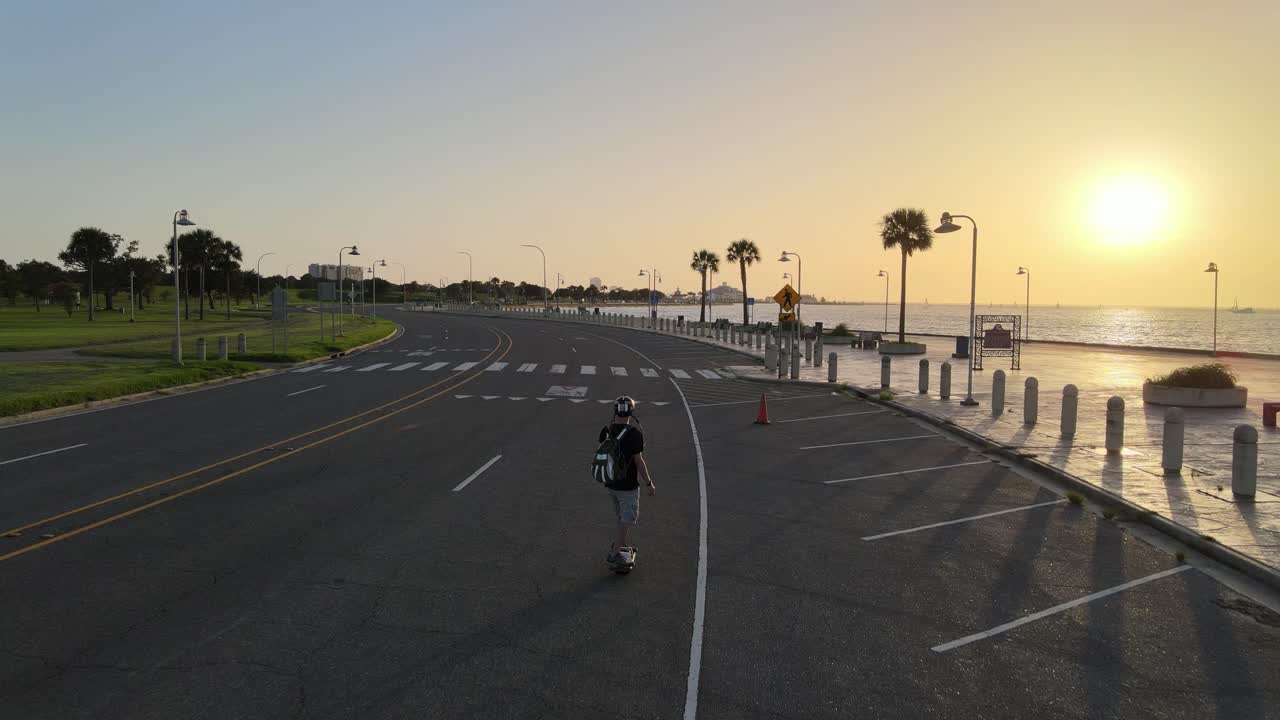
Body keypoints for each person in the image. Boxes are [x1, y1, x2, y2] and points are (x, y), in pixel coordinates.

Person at [599, 396, 655, 567]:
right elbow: (639, 461)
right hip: (628, 486)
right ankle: (614, 554)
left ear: (615, 411)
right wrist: (648, 483)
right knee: (628, 519)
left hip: (611, 483)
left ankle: (622, 544)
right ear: (631, 412)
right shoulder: (634, 434)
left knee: (621, 517)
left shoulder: (606, 430)